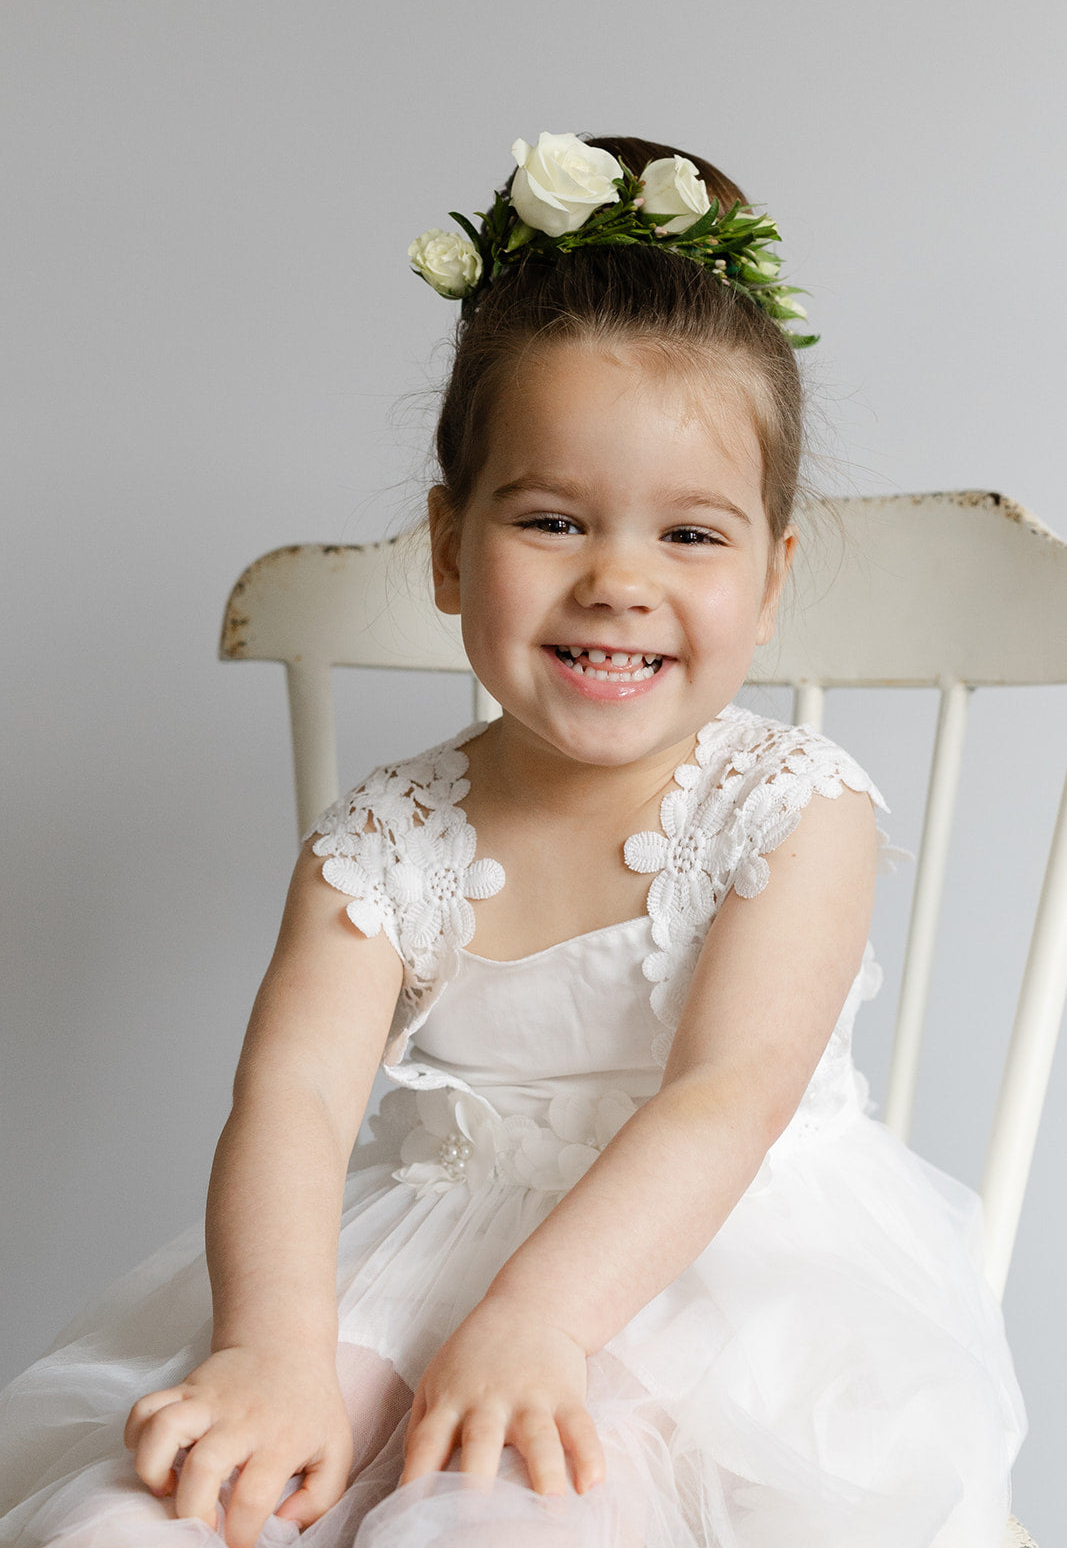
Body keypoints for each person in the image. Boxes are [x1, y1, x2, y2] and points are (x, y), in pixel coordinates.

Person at [0, 132, 1025, 1548]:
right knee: (150, 1512)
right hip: (415, 1255)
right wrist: (280, 1350)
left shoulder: (796, 808)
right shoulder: (386, 836)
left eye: (691, 535)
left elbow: (726, 1093)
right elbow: (296, 1098)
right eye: (553, 519)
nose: (618, 581)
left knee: (502, 1517)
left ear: (775, 576)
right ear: (446, 548)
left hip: (708, 1276)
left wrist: (539, 1323)